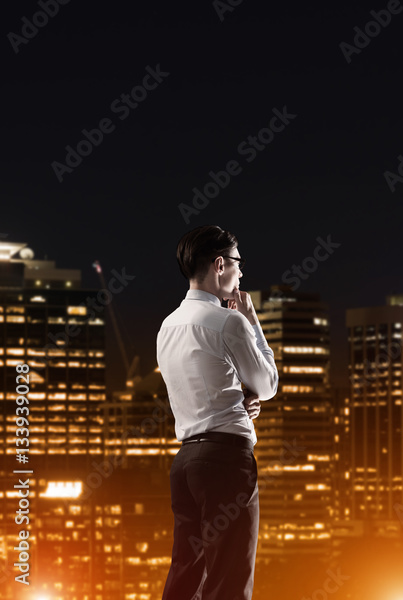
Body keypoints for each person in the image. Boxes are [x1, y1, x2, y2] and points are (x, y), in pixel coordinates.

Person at [157, 225, 279, 599]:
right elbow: (268, 384)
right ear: (220, 264)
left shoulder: (167, 326)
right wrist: (252, 319)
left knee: (185, 577)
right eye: (239, 264)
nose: (242, 273)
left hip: (186, 463)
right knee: (228, 579)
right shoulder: (229, 321)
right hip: (226, 462)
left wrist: (237, 404)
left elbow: (200, 387)